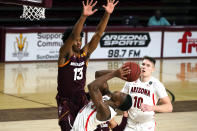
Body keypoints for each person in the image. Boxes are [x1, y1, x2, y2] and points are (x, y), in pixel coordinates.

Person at [56, 0, 119, 130]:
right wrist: (84, 16)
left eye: (80, 40)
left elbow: (98, 34)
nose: (79, 42)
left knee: (99, 126)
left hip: (81, 98)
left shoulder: (85, 54)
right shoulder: (64, 55)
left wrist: (107, 14)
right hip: (66, 102)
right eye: (76, 40)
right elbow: (73, 35)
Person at [71, 66, 132, 131]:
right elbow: (98, 74)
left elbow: (92, 87)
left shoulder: (107, 112)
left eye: (122, 94)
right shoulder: (107, 95)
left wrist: (114, 74)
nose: (119, 92)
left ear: (117, 103)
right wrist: (118, 74)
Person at [121, 56, 173, 131]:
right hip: (130, 124)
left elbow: (169, 107)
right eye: (143, 64)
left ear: (152, 69)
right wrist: (125, 112)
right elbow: (121, 98)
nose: (144, 67)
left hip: (146, 125)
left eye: (148, 65)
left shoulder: (156, 84)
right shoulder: (131, 80)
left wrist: (152, 108)